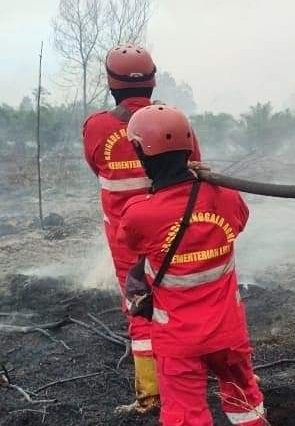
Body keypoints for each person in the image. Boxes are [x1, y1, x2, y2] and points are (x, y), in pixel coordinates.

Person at [116, 105, 265, 425]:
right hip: (229, 332)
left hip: (179, 340)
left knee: (185, 414)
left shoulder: (139, 214)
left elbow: (132, 244)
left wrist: (161, 190)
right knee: (245, 401)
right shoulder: (225, 196)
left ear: (141, 152)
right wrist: (203, 181)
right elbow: (240, 221)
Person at [82, 43, 201, 412]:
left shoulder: (97, 126)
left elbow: (95, 165)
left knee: (140, 307)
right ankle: (196, 370)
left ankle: (151, 395)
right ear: (152, 81)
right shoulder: (175, 124)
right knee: (187, 301)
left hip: (127, 239)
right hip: (175, 230)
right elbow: (192, 168)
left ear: (110, 83)